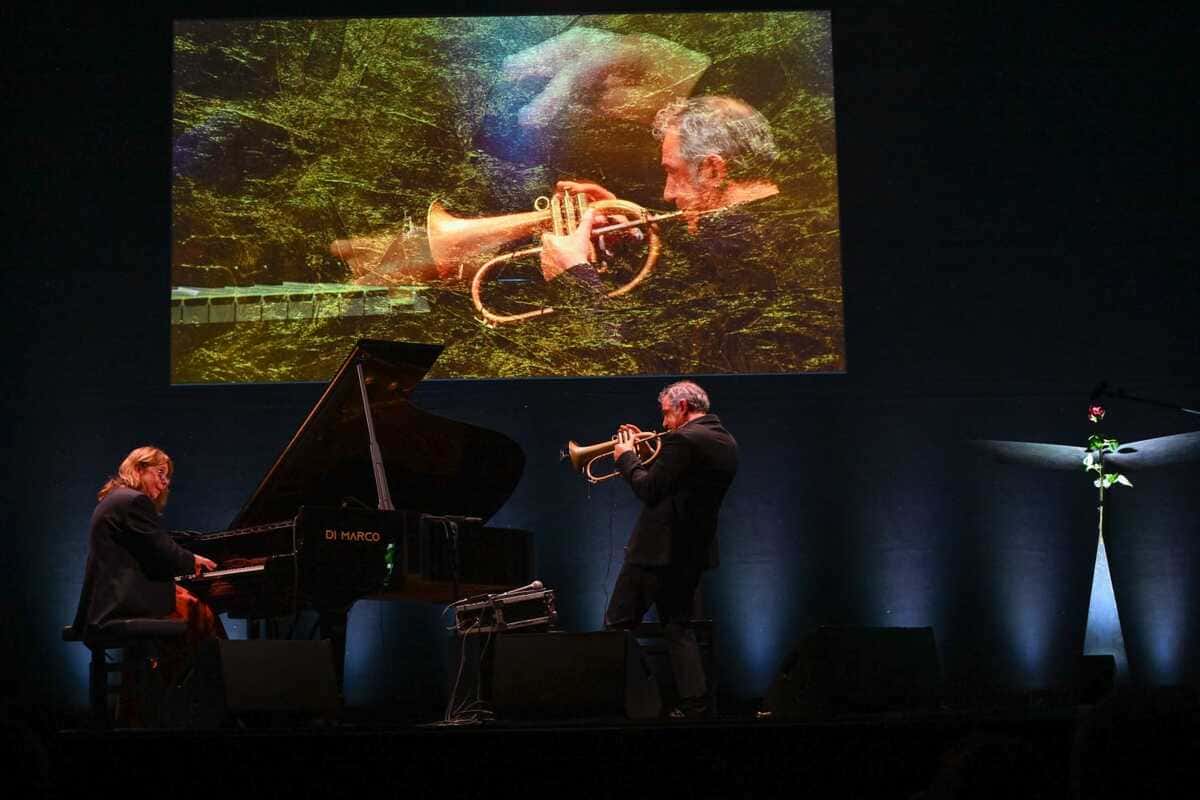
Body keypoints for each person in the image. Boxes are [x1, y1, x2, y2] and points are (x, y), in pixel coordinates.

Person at [605, 381, 738, 719]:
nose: (663, 424)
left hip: (654, 553)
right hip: (689, 554)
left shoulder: (684, 439)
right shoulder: (724, 441)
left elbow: (649, 489)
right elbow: (673, 483)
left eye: (666, 414)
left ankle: (620, 701)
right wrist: (647, 451)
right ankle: (695, 705)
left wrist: (626, 457)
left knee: (616, 627)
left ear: (681, 408)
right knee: (679, 629)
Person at [71, 446, 224, 723]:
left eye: (168, 478)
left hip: (108, 600)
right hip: (122, 602)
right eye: (160, 473)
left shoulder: (115, 499)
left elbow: (150, 555)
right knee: (198, 612)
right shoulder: (134, 501)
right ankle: (193, 704)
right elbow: (163, 552)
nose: (165, 483)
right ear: (139, 469)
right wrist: (194, 561)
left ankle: (153, 698)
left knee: (188, 609)